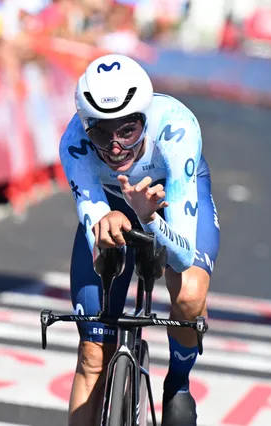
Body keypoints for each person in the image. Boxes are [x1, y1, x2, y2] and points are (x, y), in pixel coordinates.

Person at [59, 53, 220, 425]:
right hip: (113, 202)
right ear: (85, 128)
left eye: (127, 131)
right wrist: (107, 222)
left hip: (169, 198)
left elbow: (179, 257)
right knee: (93, 354)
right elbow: (96, 243)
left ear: (145, 120)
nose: (115, 147)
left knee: (190, 293)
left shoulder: (177, 129)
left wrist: (149, 217)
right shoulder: (73, 144)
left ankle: (177, 385)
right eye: (101, 132)